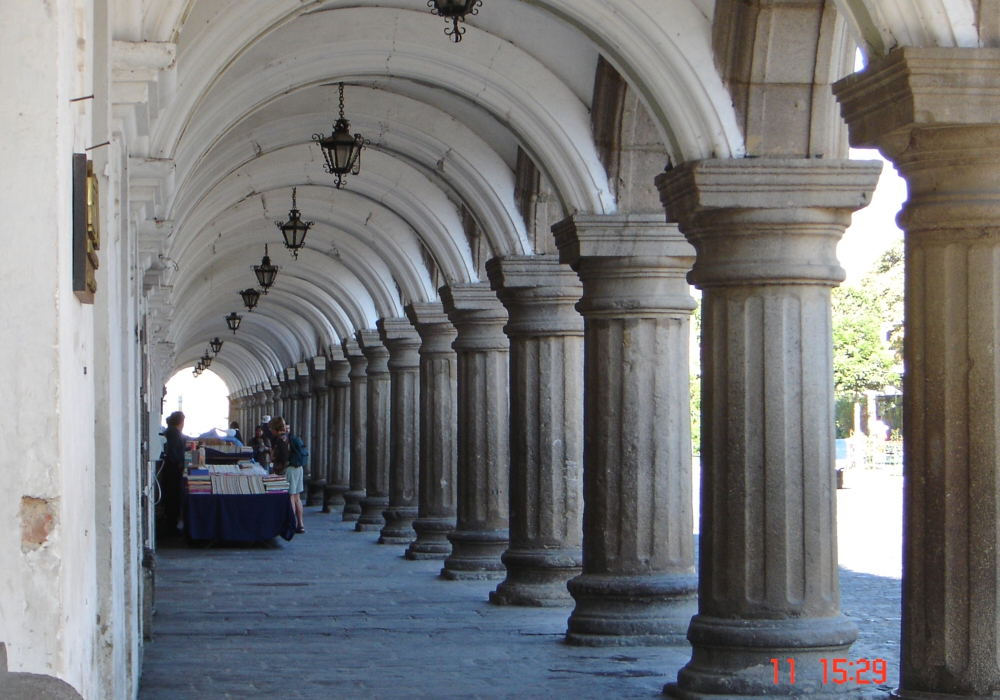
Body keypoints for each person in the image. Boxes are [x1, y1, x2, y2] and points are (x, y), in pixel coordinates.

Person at [269, 417, 304, 534]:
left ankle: (291, 525)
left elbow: (284, 457)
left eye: (271, 428)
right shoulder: (289, 436)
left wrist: (276, 463)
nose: (270, 431)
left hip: (289, 470)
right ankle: (300, 524)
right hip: (298, 468)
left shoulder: (280, 440)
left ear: (275, 428)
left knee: (290, 498)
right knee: (297, 498)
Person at [159, 411, 187, 536]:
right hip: (173, 470)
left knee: (170, 497)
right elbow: (172, 450)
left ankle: (170, 524)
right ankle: (171, 526)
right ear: (180, 422)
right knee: (173, 497)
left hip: (168, 469)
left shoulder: (169, 431)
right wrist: (178, 462)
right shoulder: (175, 433)